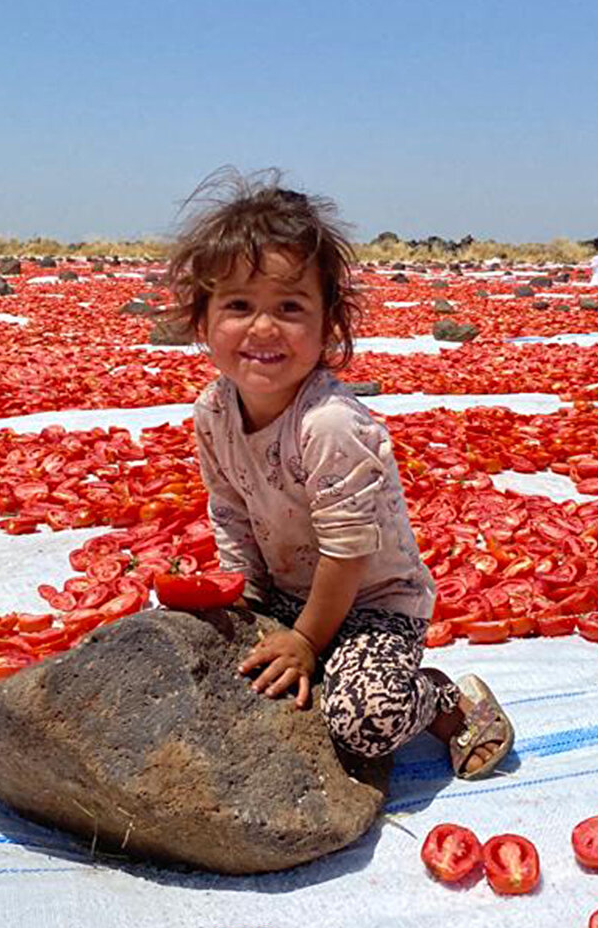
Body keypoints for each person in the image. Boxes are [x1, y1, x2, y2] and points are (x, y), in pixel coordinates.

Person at [166, 170, 514, 779]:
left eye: (290, 307)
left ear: (328, 325)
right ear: (203, 322)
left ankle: (445, 700)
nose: (263, 328)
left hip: (374, 605)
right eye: (239, 306)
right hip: (288, 593)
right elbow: (230, 510)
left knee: (365, 720)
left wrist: (305, 641)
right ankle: (318, 651)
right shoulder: (213, 411)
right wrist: (245, 601)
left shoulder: (329, 426)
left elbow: (347, 554)